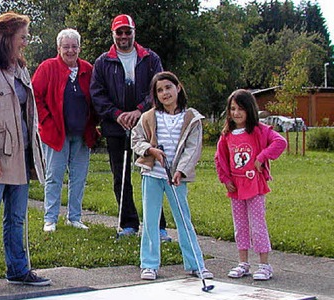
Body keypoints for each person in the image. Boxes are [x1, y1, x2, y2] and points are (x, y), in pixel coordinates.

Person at [0, 12, 51, 295]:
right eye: (22, 37)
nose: (25, 43)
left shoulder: (20, 69)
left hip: (21, 156)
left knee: (17, 218)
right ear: (7, 38)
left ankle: (18, 270)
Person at [90, 14, 170, 240]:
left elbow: (159, 88)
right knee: (120, 177)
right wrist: (116, 115)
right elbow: (97, 95)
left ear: (134, 33)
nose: (123, 36)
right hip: (115, 127)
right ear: (113, 34)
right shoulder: (103, 62)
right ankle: (128, 223)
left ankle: (158, 226)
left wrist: (139, 110)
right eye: (119, 32)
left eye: (127, 32)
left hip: (147, 124)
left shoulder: (150, 58)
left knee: (153, 174)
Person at [131, 71, 213, 280]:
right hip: (152, 175)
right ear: (155, 95)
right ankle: (149, 264)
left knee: (183, 219)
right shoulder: (148, 117)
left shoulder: (191, 118)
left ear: (178, 87)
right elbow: (136, 139)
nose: (165, 93)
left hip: (176, 177)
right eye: (159, 90)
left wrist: (180, 170)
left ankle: (195, 264)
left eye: (168, 87)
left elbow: (193, 148)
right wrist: (150, 150)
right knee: (150, 220)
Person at [214, 89, 287, 281]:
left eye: (241, 109)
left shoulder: (260, 130)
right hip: (236, 187)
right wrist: (226, 179)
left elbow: (280, 142)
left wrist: (262, 157)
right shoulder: (227, 135)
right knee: (240, 225)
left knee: (257, 224)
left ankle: (264, 264)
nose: (236, 113)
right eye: (232, 109)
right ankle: (243, 262)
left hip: (254, 185)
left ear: (250, 110)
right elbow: (220, 159)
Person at [31, 28, 99, 233]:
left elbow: (96, 97)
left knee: (79, 177)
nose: (70, 51)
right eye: (66, 47)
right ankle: (50, 218)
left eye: (74, 46)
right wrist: (47, 121)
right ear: (58, 48)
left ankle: (74, 217)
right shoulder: (47, 67)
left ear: (79, 48)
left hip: (82, 134)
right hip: (55, 134)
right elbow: (35, 96)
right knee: (54, 176)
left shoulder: (88, 69)